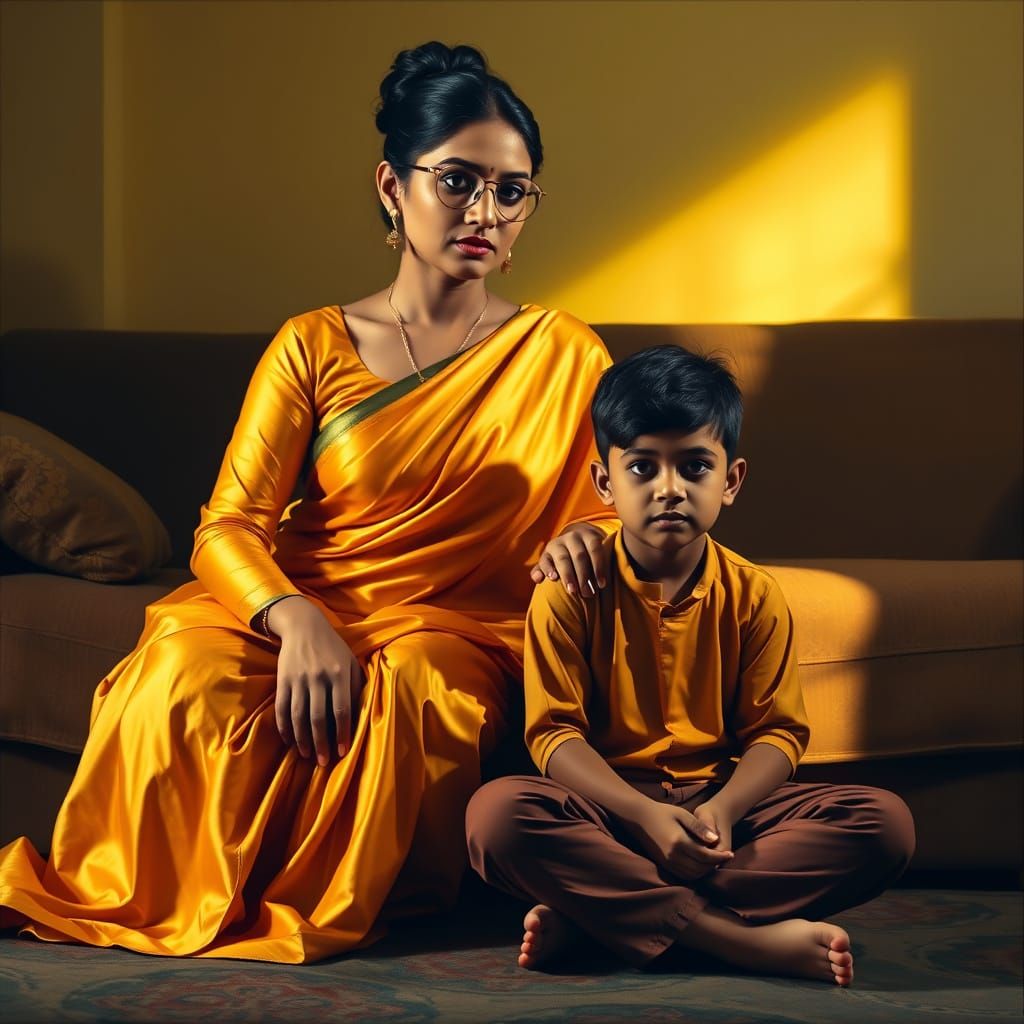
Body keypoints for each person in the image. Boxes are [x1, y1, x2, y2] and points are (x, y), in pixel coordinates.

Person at [0, 42, 617, 963]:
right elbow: (229, 525)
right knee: (181, 681)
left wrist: (585, 542)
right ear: (391, 185)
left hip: (454, 622)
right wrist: (295, 619)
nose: (485, 211)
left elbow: (605, 513)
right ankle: (156, 897)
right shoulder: (313, 344)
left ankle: (327, 908)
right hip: (302, 596)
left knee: (418, 692)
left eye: (512, 189)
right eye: (457, 180)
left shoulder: (565, 353)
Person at [465, 345, 916, 986]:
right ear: (604, 484)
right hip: (605, 814)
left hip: (717, 819)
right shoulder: (567, 591)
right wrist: (644, 816)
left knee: (883, 826)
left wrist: (724, 810)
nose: (669, 489)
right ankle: (738, 942)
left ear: (729, 481)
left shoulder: (753, 594)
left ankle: (601, 916)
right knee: (497, 817)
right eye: (642, 467)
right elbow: (553, 735)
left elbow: (779, 734)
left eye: (694, 467)